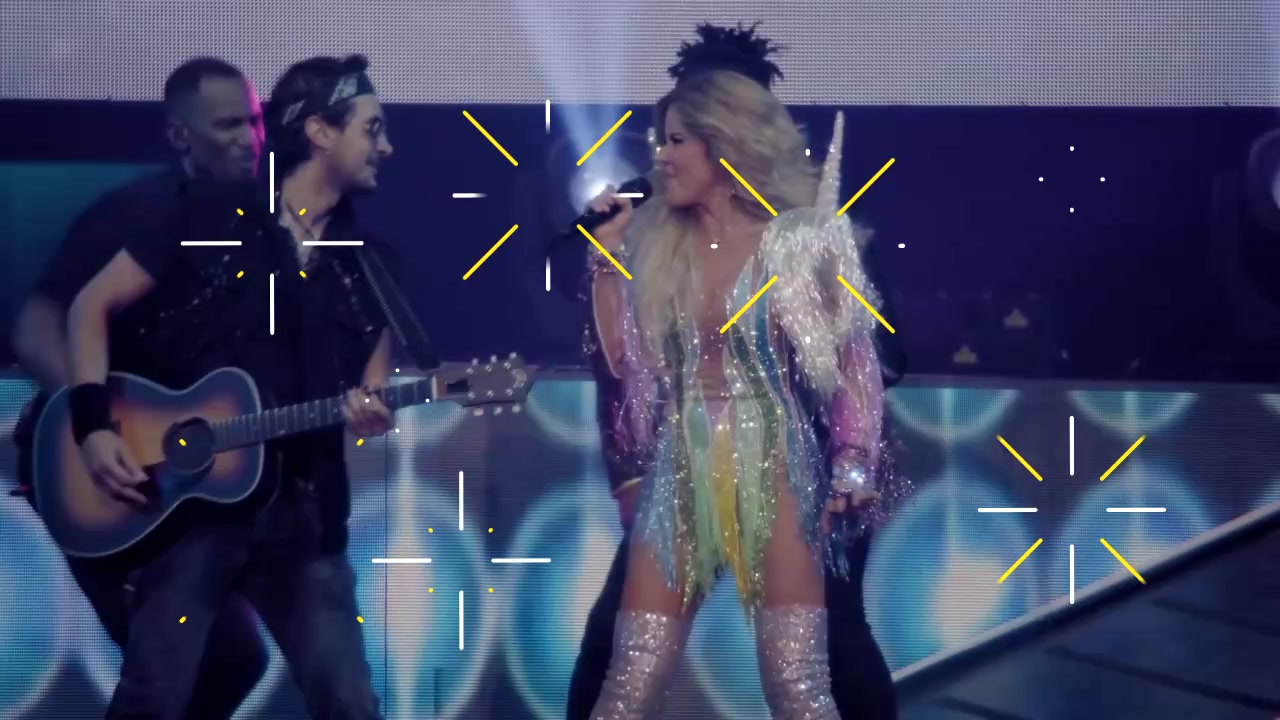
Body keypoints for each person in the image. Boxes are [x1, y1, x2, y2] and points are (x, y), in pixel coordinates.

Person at [579, 24, 909, 719]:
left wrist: (852, 463)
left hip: (777, 459)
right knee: (627, 676)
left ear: (723, 140)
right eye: (661, 140)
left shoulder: (799, 241)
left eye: (676, 140)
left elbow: (856, 361)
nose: (660, 157)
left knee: (801, 680)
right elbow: (626, 366)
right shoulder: (657, 247)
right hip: (681, 462)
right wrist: (605, 262)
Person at [62, 53, 396, 720]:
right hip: (192, 515)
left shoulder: (369, 270)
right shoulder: (204, 217)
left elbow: (375, 380)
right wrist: (94, 427)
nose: (386, 147)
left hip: (304, 525)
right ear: (320, 132)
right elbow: (88, 308)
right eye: (372, 128)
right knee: (155, 697)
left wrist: (371, 410)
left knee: (350, 702)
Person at [8, 56, 269, 719]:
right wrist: (103, 421)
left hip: (178, 483)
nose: (250, 138)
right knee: (167, 674)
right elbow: (36, 328)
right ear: (182, 136)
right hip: (95, 476)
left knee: (237, 658)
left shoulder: (262, 229)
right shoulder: (138, 214)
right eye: (229, 125)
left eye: (255, 120)